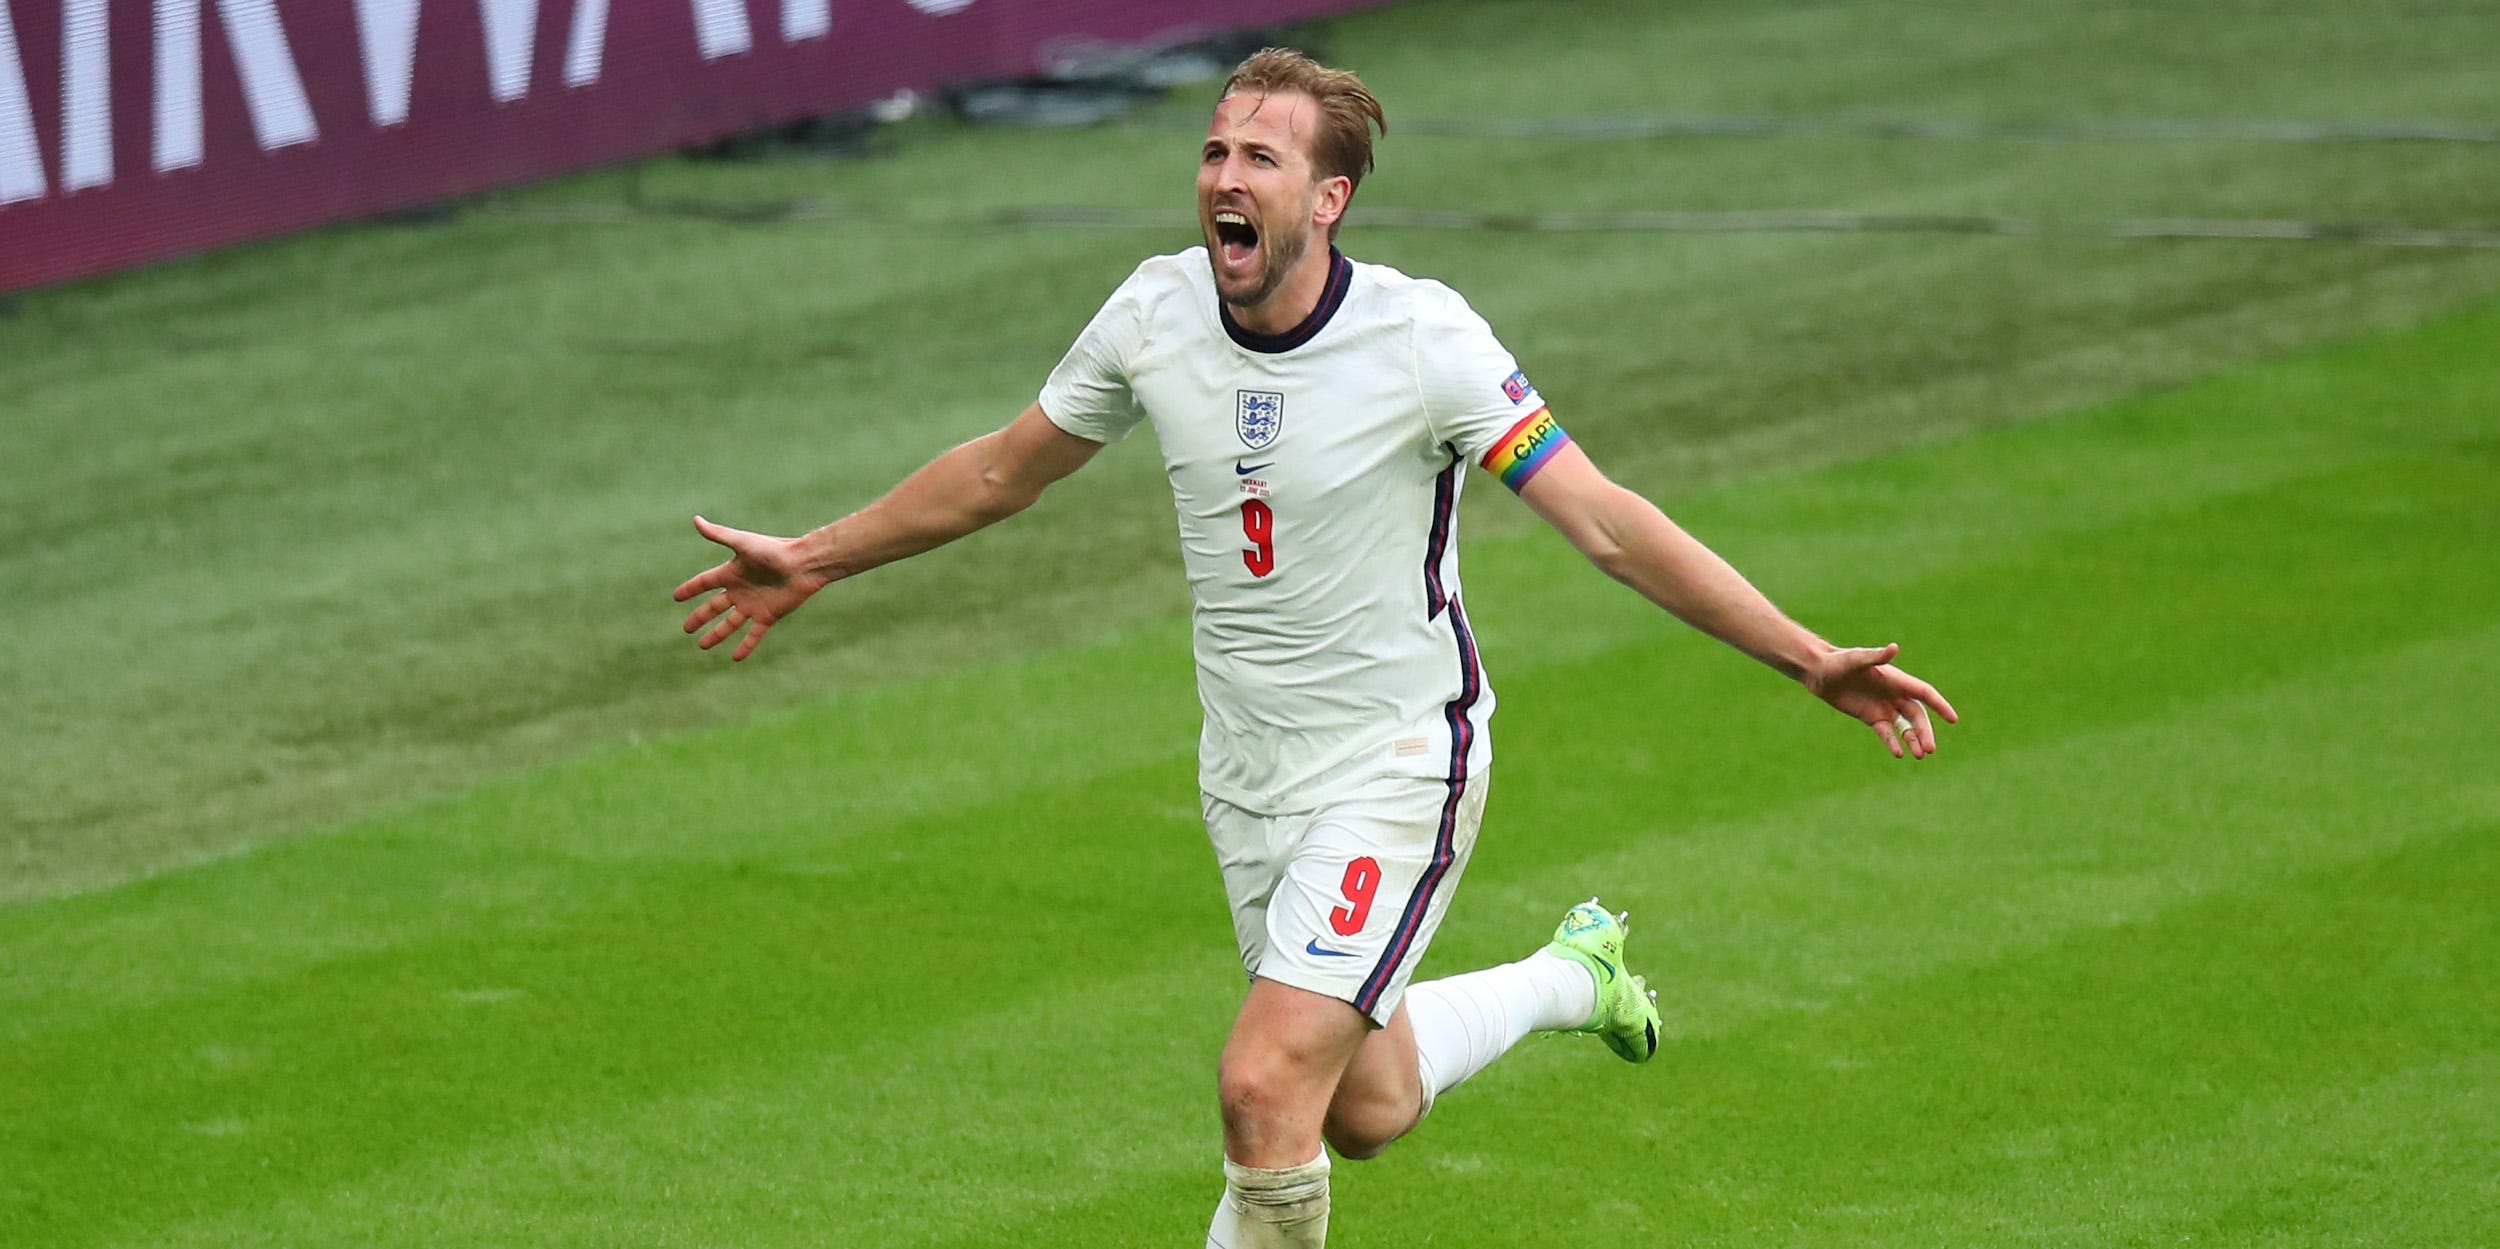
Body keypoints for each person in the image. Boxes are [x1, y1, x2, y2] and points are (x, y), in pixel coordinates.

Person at [673, 47, 1957, 1249]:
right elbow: (1005, 471)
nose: (1225, 178)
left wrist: (1806, 656)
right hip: (1246, 772)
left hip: (1397, 761)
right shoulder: (1152, 312)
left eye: (1262, 159)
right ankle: (1575, 975)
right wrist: (817, 555)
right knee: (1364, 1105)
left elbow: (1609, 524)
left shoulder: (1423, 343)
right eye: (1215, 150)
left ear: (1330, 196)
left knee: (1259, 1084)